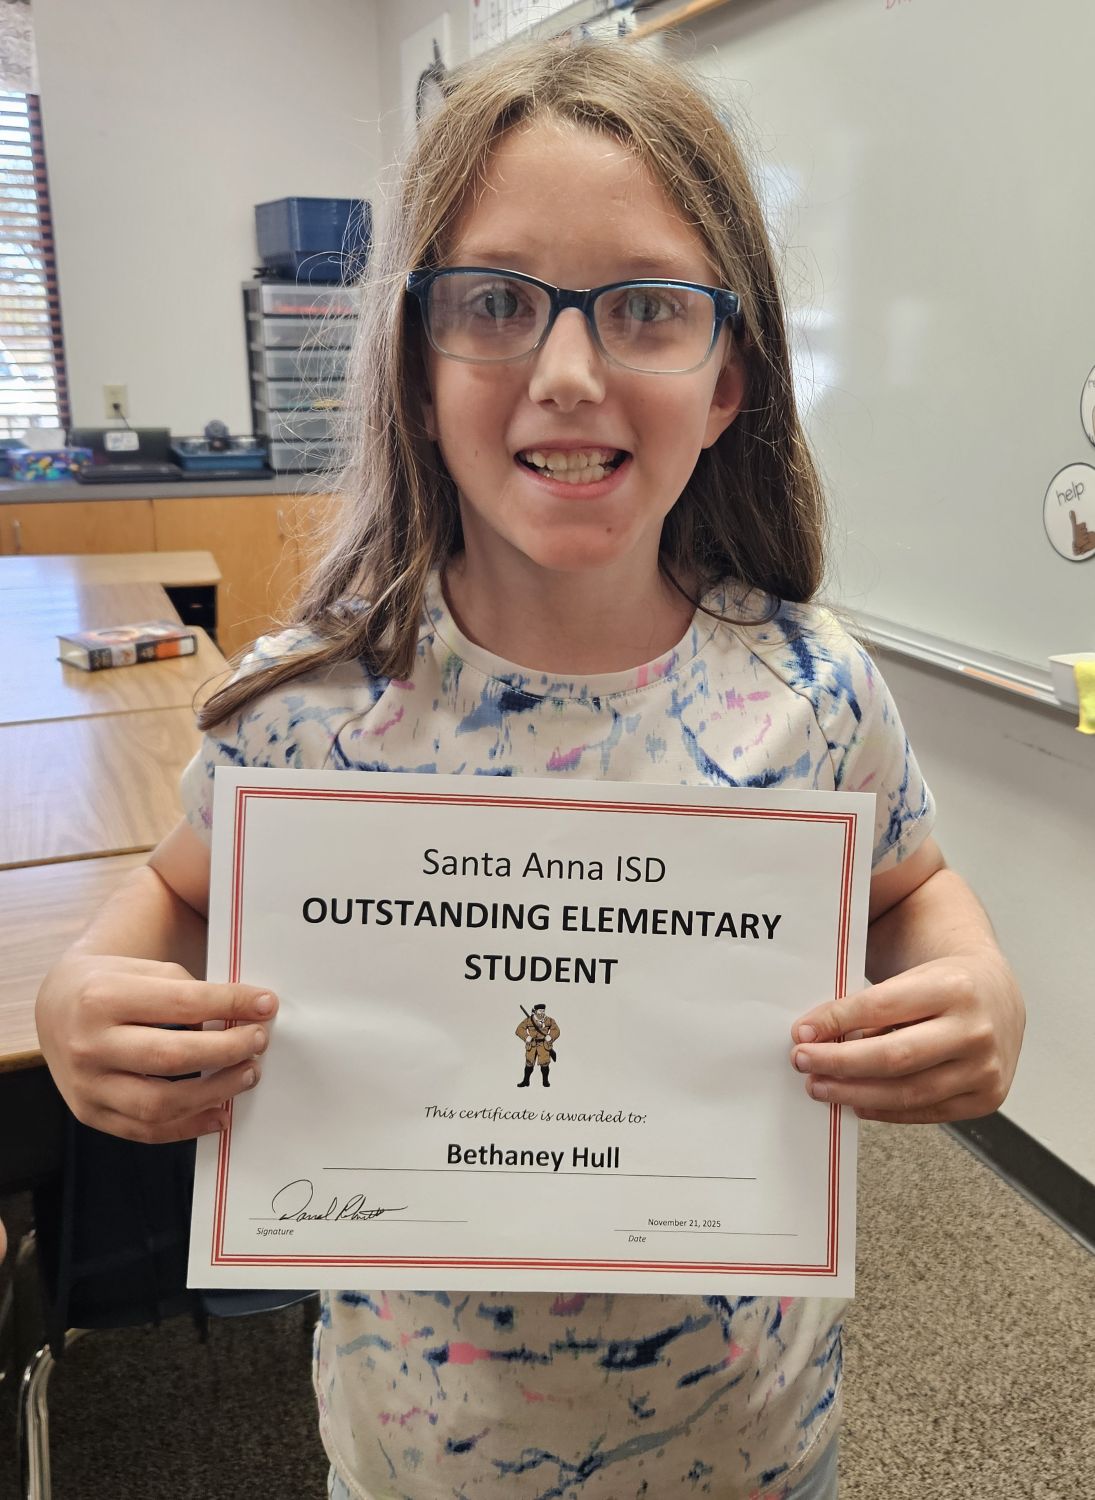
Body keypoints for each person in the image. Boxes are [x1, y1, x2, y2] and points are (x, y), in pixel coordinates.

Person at [35, 38, 1024, 1500]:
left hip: (750, 1449)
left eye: (644, 308)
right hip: (422, 1459)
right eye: (495, 303)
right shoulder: (310, 708)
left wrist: (977, 986)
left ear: (728, 376)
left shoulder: (809, 694)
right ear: (417, 362)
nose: (566, 372)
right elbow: (174, 893)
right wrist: (78, 1000)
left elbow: (913, 885)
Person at [517, 1002, 560, 1086]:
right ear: (535, 1011)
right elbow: (519, 1030)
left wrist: (550, 1036)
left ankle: (545, 1081)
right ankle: (526, 1081)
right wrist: (526, 1037)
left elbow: (556, 1030)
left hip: (544, 1045)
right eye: (540, 1011)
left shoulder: (549, 1020)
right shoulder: (529, 1020)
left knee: (545, 1065)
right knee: (529, 1064)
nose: (542, 1012)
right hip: (532, 1045)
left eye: (543, 1011)